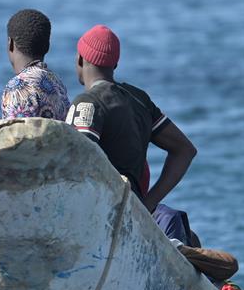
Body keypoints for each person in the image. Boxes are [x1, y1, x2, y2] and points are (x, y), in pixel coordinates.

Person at [66, 25, 197, 210]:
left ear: (80, 59)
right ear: (115, 65)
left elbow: (74, 166)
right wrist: (148, 204)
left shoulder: (86, 103)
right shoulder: (139, 99)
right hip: (131, 211)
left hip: (98, 212)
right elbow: (184, 150)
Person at [1, 9, 70, 120]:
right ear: (47, 46)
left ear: (11, 44)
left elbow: (13, 135)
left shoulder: (17, 88)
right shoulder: (57, 83)